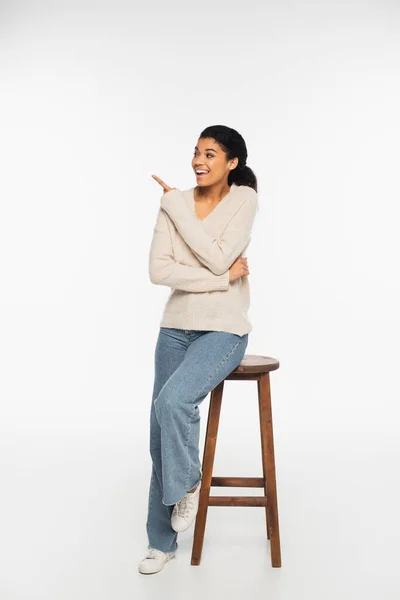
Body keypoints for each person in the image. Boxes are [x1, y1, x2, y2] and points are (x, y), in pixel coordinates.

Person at [138, 124, 259, 574]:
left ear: (232, 163)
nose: (199, 160)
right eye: (195, 152)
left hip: (223, 331)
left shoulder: (243, 200)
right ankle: (159, 543)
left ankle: (189, 482)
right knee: (158, 434)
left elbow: (212, 254)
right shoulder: (175, 202)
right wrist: (221, 277)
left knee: (174, 401)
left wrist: (177, 210)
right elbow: (159, 270)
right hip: (175, 327)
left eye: (211, 154)